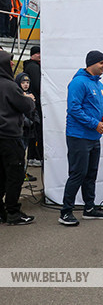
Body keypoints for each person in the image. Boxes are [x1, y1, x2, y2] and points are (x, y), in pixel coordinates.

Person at [59, 50, 103, 226]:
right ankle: (66, 212)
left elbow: (91, 108)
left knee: (91, 174)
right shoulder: (78, 82)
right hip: (78, 136)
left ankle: (89, 208)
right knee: (77, 174)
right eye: (101, 63)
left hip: (93, 137)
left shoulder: (99, 85)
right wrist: (94, 123)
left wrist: (101, 119)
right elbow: (74, 109)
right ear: (91, 63)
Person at [0, 51, 36, 225]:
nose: (13, 64)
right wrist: (28, 98)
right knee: (15, 175)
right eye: (10, 61)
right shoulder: (9, 86)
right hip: (10, 137)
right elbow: (25, 106)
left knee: (1, 175)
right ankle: (13, 212)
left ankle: (2, 211)